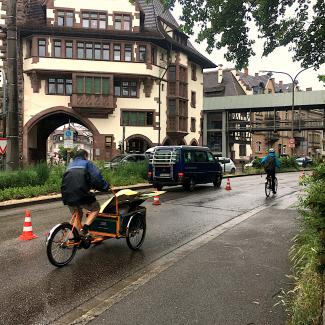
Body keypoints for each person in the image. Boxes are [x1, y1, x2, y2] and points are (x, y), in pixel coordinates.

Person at [61, 149, 110, 237]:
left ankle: (73, 238)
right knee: (95, 207)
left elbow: (72, 179)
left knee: (78, 214)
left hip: (66, 194)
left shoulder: (70, 165)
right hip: (80, 193)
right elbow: (96, 178)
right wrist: (105, 187)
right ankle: (86, 228)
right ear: (85, 156)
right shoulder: (87, 163)